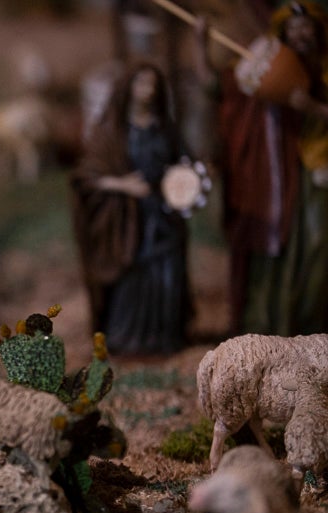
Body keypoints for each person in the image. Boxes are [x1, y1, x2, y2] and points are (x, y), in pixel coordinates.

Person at [196, 1, 328, 335]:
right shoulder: (266, 67)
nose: (300, 35)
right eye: (293, 29)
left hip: (311, 172)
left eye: (306, 28)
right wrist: (200, 44)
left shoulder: (321, 68)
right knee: (270, 246)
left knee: (313, 247)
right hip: (274, 175)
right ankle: (268, 324)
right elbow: (217, 86)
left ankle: (307, 324)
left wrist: (311, 107)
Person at [70, 62, 193, 356]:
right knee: (133, 271)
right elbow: (86, 175)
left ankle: (164, 335)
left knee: (167, 269)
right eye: (141, 84)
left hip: (162, 211)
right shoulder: (111, 131)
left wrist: (188, 182)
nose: (147, 91)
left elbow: (183, 160)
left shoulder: (164, 128)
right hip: (127, 218)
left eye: (152, 84)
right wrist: (122, 185)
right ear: (128, 88)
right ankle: (127, 336)